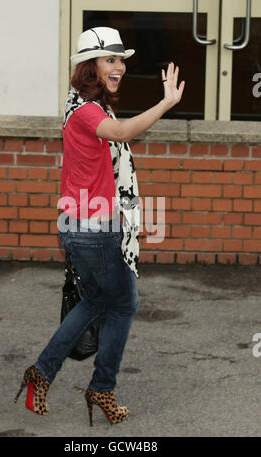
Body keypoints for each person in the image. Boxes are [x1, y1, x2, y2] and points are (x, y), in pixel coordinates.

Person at [14, 27, 184, 425]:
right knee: (122, 303)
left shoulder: (82, 106)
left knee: (99, 302)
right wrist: (166, 103)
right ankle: (96, 387)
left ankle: (48, 376)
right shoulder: (89, 112)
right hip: (93, 225)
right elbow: (123, 133)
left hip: (85, 222)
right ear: (89, 67)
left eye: (121, 60)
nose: (120, 67)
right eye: (111, 60)